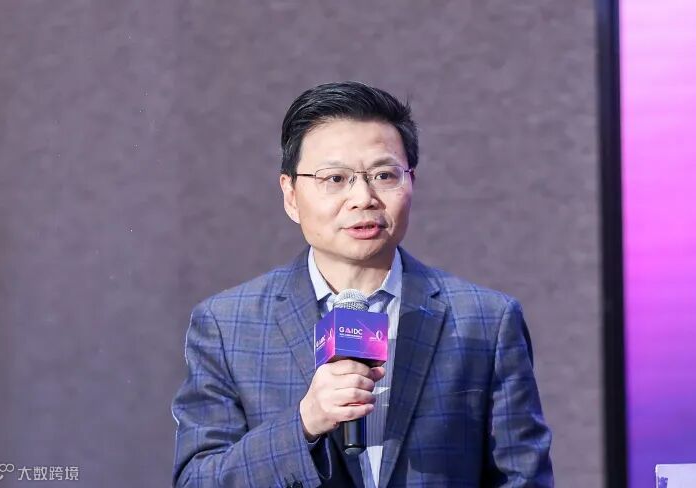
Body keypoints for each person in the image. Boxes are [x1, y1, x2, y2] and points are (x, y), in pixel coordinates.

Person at [171, 81, 553, 488]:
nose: (363, 198)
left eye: (384, 175)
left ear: (412, 182)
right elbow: (197, 481)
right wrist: (304, 423)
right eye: (335, 178)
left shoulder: (486, 320)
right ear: (290, 195)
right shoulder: (227, 325)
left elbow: (523, 478)